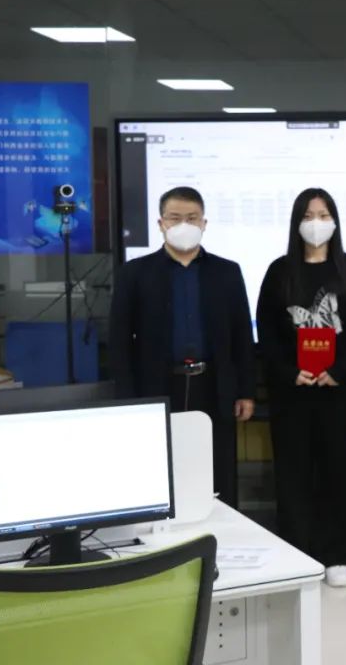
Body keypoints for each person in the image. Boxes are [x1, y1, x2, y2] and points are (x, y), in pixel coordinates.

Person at [110, 186, 255, 509]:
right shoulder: (135, 273)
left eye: (192, 218)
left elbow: (241, 335)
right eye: (175, 218)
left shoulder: (227, 272)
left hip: (213, 385)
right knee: (161, 470)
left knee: (217, 472)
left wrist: (245, 391)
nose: (184, 225)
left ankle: (222, 532)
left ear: (204, 223)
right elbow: (119, 341)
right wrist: (127, 399)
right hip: (157, 387)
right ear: (161, 223)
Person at [256, 188, 346, 588]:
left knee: (339, 470)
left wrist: (340, 370)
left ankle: (336, 554)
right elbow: (268, 332)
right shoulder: (279, 271)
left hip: (339, 391)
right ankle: (298, 554)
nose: (316, 223)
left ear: (335, 221)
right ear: (296, 222)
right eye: (308, 216)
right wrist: (291, 372)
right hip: (293, 393)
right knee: (293, 474)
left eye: (323, 215)